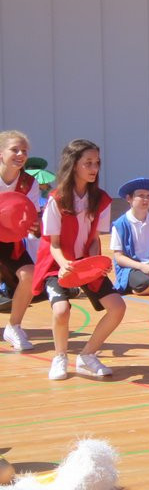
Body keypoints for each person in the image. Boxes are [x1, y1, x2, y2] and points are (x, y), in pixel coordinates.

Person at [32, 139, 126, 380]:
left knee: (117, 307)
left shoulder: (101, 199)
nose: (94, 168)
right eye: (88, 163)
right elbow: (52, 245)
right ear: (74, 165)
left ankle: (87, 355)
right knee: (61, 310)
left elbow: (94, 238)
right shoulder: (57, 199)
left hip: (86, 264)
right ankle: (60, 356)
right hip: (58, 264)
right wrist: (65, 266)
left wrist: (94, 263)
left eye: (97, 163)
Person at [0, 130, 41, 351]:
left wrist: (32, 225)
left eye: (24, 151)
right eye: (14, 149)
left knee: (30, 274)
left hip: (9, 238)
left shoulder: (29, 183)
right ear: (0, 153)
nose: (20, 154)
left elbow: (30, 216)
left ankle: (13, 326)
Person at [109, 177, 149, 295]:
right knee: (145, 284)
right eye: (141, 195)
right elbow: (118, 257)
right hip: (132, 268)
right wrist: (141, 266)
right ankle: (136, 286)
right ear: (129, 198)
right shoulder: (120, 225)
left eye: (148, 196)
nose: (146, 199)